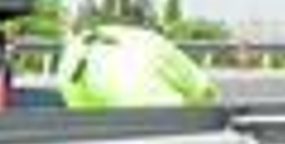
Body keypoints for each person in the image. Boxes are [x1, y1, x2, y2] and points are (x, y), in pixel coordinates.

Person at [56, 24, 219, 109]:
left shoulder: (151, 40)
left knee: (90, 132)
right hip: (133, 81)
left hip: (75, 58)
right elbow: (207, 93)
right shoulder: (173, 59)